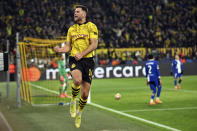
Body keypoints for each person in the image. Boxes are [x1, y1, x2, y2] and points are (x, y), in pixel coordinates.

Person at [54, 5, 98, 128]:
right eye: (74, 12)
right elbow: (68, 47)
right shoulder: (71, 29)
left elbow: (94, 44)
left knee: (84, 94)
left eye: (77, 12)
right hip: (75, 59)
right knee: (77, 80)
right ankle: (73, 100)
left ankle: (79, 113)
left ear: (84, 14)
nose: (75, 13)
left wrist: (82, 53)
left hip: (88, 61)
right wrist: (60, 50)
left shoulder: (91, 26)